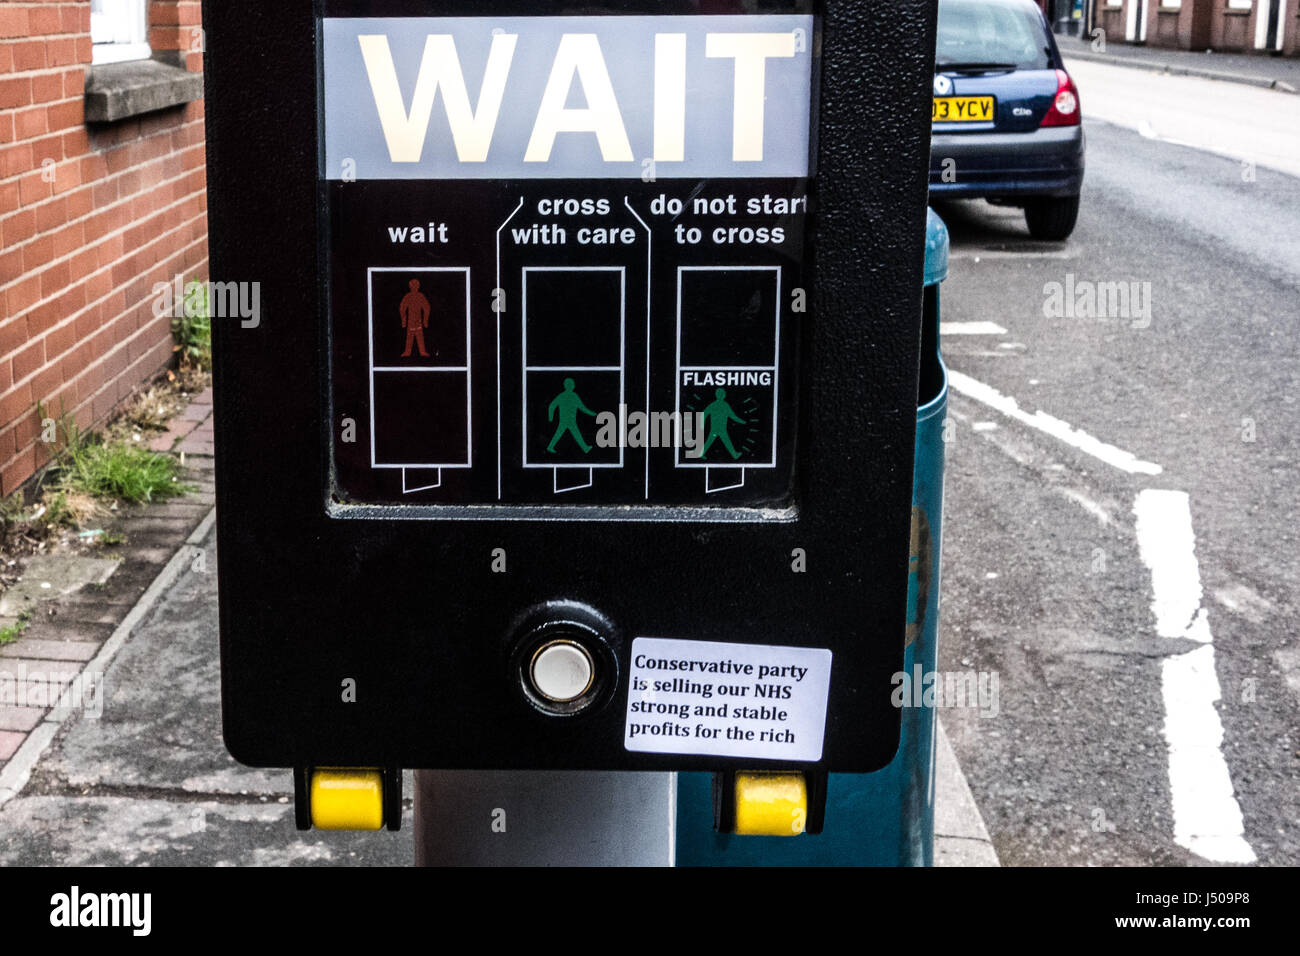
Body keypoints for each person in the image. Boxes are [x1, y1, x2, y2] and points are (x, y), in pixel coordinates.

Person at [547, 378, 596, 454]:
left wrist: (551, 418)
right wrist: (550, 418)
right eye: (571, 384)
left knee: (563, 434)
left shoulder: (564, 395)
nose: (572, 386)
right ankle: (585, 448)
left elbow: (551, 406)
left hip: (567, 420)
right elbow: (582, 408)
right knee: (574, 434)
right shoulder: (573, 396)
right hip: (569, 420)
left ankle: (550, 447)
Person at [698, 388, 745, 461]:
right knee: (726, 441)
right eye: (723, 394)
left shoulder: (713, 404)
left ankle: (701, 453)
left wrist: (702, 423)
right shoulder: (724, 405)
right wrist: (742, 421)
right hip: (721, 429)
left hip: (715, 428)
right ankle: (735, 455)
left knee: (711, 441)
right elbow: (732, 416)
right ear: (723, 395)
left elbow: (704, 414)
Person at [400, 279, 430, 357]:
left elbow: (427, 308)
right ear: (410, 287)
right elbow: (402, 308)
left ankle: (422, 352)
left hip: (418, 321)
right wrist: (404, 321)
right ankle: (408, 352)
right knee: (410, 337)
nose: (414, 287)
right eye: (413, 286)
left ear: (418, 286)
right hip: (411, 322)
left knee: (419, 337)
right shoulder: (408, 296)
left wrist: (425, 321)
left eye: (415, 286)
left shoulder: (420, 296)